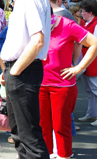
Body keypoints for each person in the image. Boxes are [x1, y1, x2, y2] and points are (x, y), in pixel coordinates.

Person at [0, 0, 50, 159]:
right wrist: (10, 71)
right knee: (20, 134)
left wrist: (15, 70)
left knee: (29, 136)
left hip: (23, 71)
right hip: (20, 70)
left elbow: (38, 40)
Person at [39, 10, 97, 159]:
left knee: (61, 126)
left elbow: (94, 43)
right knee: (42, 126)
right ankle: (47, 154)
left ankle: (64, 155)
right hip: (38, 84)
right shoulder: (33, 25)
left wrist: (78, 67)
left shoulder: (67, 25)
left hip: (62, 85)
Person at [78, 0, 97, 125]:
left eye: (83, 11)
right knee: (90, 90)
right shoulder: (87, 23)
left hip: (93, 61)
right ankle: (92, 114)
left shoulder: (95, 24)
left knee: (95, 89)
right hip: (87, 59)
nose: (81, 13)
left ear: (90, 12)